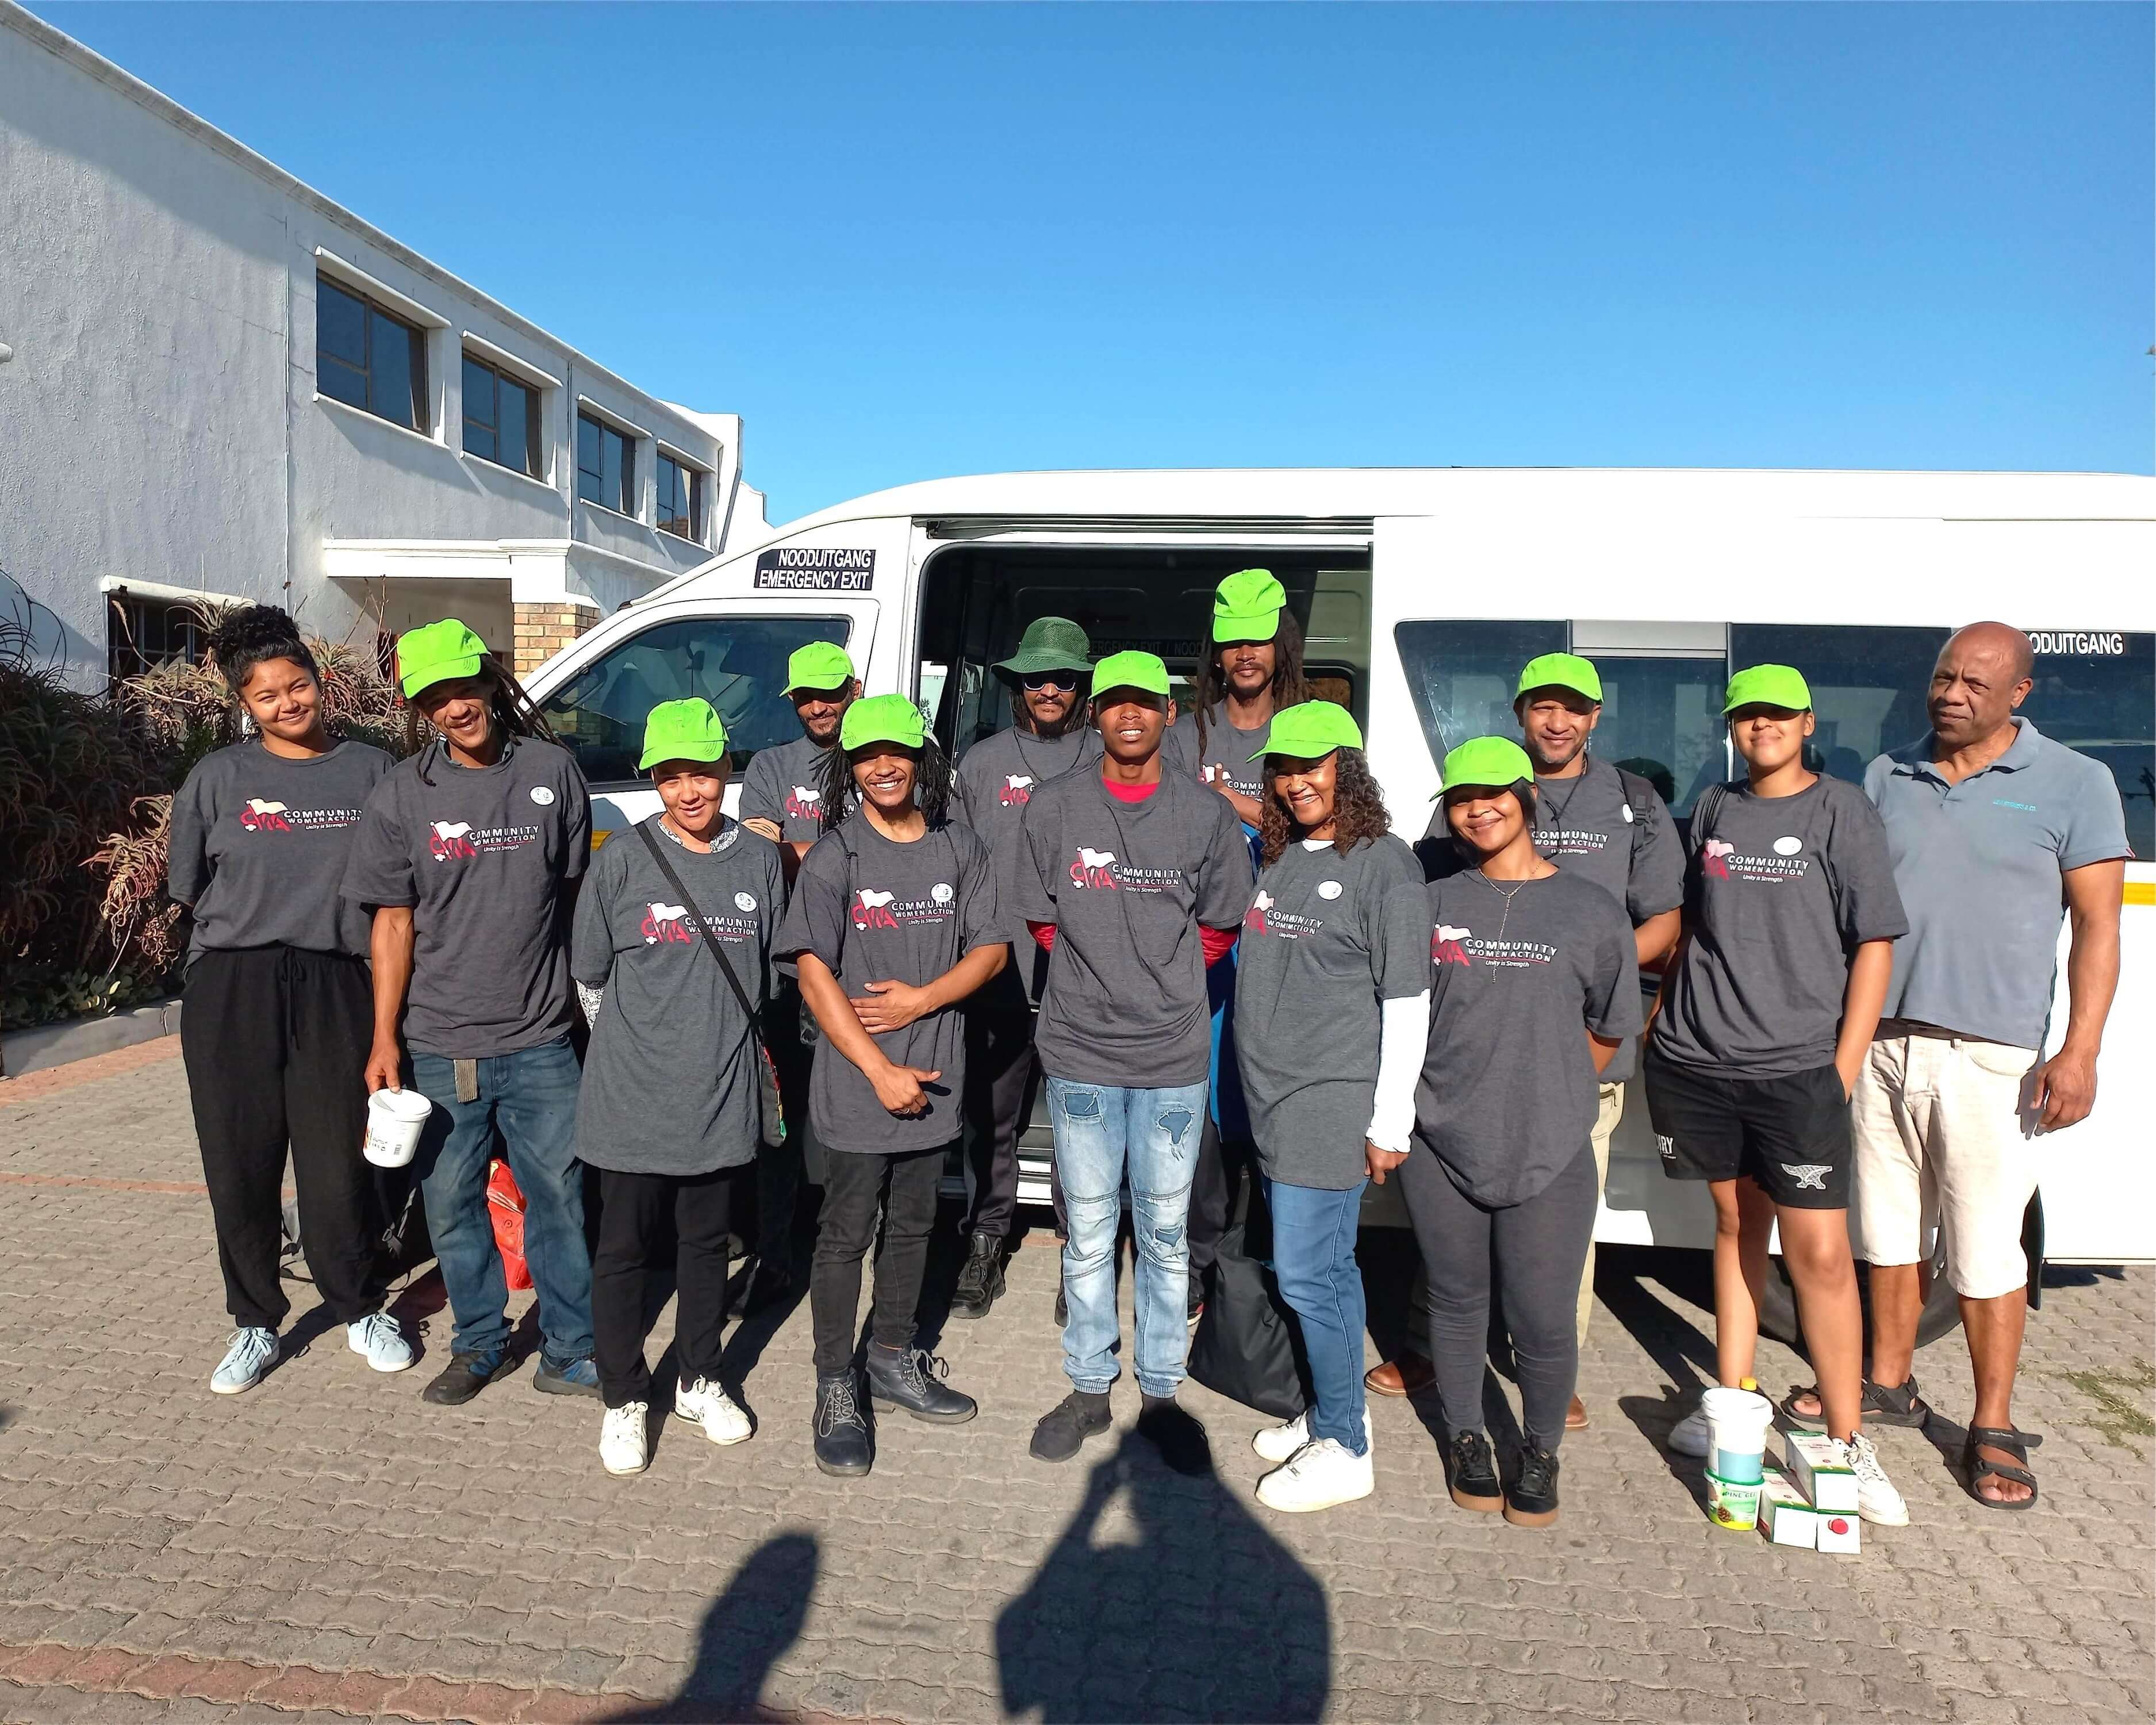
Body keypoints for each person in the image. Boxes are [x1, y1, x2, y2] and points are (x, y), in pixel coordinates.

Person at [1837, 622, 2127, 1510]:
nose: (1950, 694)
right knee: (1885, 1234)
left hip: (1990, 1054)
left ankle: (1991, 1423)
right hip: (1883, 1040)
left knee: (1984, 1249)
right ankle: (1887, 1384)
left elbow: (2099, 929)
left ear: (2018, 695)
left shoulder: (2077, 782)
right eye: (1942, 676)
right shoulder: (1888, 775)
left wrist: (2078, 1050)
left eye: (1973, 682)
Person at [1369, 653, 1683, 1431]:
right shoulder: (1457, 832)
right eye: (1541, 706)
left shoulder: (1632, 802)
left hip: (1569, 1061)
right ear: (1519, 714)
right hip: (1467, 1076)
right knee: (1449, 1253)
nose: (1556, 720)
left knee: (1555, 1253)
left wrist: (1568, 970)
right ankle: (1434, 1355)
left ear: (1593, 717)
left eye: (1571, 707)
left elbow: (1659, 926)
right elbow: (1422, 943)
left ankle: (1548, 1368)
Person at [1645, 666, 1910, 1526]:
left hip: (1796, 1070)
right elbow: (1690, 925)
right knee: (1734, 1230)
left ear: (1805, 721)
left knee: (1823, 1259)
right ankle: (1731, 1399)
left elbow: (1873, 942)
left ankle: (1842, 1442)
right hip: (1698, 1058)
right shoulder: (1718, 808)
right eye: (1743, 715)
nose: (1758, 726)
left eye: (1774, 714)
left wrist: (1840, 1067)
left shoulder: (1840, 810)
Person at [342, 618, 597, 1406]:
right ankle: (480, 1344)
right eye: (436, 698)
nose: (457, 707)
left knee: (559, 1197)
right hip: (440, 1044)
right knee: (453, 1208)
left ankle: (570, 1350)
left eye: (465, 686)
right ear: (421, 709)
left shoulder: (553, 772)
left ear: (490, 680)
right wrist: (384, 1037)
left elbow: (575, 901)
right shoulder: (401, 795)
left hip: (541, 1040)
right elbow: (392, 922)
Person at [1017, 650, 1255, 1476]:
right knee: (1085, 1235)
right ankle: (1088, 1387)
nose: (1128, 714)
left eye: (1144, 703)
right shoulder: (1054, 808)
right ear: (1096, 714)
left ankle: (1160, 1392)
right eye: (1113, 701)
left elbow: (1223, 921)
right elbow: (1041, 916)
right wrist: (1102, 973)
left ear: (1165, 713)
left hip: (1171, 1058)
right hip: (1080, 1052)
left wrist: (1165, 979)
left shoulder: (1205, 814)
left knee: (1161, 1235)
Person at [167, 604, 412, 1394]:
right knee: (239, 1160)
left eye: (297, 685)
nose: (287, 702)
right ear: (246, 703)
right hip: (233, 984)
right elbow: (189, 886)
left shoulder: (370, 772)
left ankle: (358, 1304)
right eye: (267, 694)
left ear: (320, 683)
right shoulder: (217, 779)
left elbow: (395, 896)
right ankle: (254, 1322)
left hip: (336, 981)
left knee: (336, 1160)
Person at [1405, 737, 1640, 1529]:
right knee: (1457, 1300)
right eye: (1461, 796)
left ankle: (1538, 1452)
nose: (1478, 807)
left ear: (1526, 797)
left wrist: (1544, 1083)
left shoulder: (1590, 910)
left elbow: (1609, 1028)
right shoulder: (1434, 903)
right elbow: (1406, 1019)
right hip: (1441, 1139)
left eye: (1494, 792)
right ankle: (1467, 1438)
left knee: (1540, 1315)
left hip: (1548, 1147)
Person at [777, 693, 1004, 1478]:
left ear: (920, 761)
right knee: (844, 1235)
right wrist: (877, 1068)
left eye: (897, 754)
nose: (882, 767)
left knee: (914, 1228)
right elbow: (811, 973)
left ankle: (892, 1356)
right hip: (857, 1087)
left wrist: (920, 1001)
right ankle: (835, 1384)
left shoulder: (960, 848)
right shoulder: (836, 856)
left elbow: (992, 952)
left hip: (936, 1079)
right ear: (850, 765)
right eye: (867, 754)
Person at [571, 699, 784, 1475]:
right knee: (622, 1252)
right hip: (628, 1100)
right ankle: (624, 1396)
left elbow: (767, 980)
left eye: (703, 772)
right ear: (654, 777)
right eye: (671, 775)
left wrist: (707, 1051)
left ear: (727, 771)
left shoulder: (759, 861)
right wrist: (640, 1051)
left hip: (720, 1098)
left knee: (704, 1251)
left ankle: (698, 1378)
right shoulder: (621, 860)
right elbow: (589, 976)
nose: (689, 791)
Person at [1232, 703, 1429, 1512]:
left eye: (1311, 766)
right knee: (1322, 1272)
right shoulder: (1280, 858)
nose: (1295, 781)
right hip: (1274, 1100)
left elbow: (1408, 998)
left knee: (1311, 1277)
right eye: (1282, 768)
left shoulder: (1384, 864)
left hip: (1330, 1099)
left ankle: (1346, 1445)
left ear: (1345, 771)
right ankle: (1331, 1411)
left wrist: (1390, 1121)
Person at [949, 617, 1100, 1320]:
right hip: (999, 975)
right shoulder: (982, 764)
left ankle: (1082, 1260)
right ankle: (984, 1239)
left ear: (1082, 688)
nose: (1048, 689)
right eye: (1035, 677)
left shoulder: (1110, 760)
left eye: (1063, 678)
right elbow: (954, 866)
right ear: (1017, 684)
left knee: (1082, 1133)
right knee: (992, 1121)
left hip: (1083, 980)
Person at [1173, 570, 1313, 1321]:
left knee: (1265, 1106)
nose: (1245, 655)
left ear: (1280, 643)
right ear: (1216, 655)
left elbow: (1336, 826)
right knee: (1199, 1112)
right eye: (1231, 643)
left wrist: (1233, 801)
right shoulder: (1184, 734)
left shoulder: (1308, 725)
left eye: (1258, 639)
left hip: (1282, 950)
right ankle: (1197, 1267)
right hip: (1198, 955)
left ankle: (1260, 1266)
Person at [737, 639, 861, 1307]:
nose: (819, 706)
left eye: (831, 692)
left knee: (848, 1122)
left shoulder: (879, 757)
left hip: (862, 966)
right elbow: (757, 857)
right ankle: (777, 1257)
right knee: (781, 1125)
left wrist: (796, 847)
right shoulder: (771, 764)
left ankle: (841, 1251)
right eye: (806, 696)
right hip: (787, 970)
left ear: (854, 688)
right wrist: (843, 848)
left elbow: (890, 847)